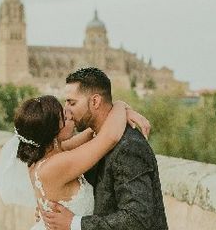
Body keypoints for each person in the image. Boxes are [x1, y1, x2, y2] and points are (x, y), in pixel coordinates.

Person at [0, 91, 150, 230]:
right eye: (64, 116)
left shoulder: (47, 155)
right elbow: (110, 136)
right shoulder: (57, 164)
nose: (70, 116)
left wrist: (118, 112)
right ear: (54, 130)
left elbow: (92, 131)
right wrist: (119, 104)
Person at [41, 67, 168, 230]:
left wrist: (75, 223)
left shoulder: (129, 146)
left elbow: (137, 218)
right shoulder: (94, 140)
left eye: (72, 102)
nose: (66, 111)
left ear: (95, 101)